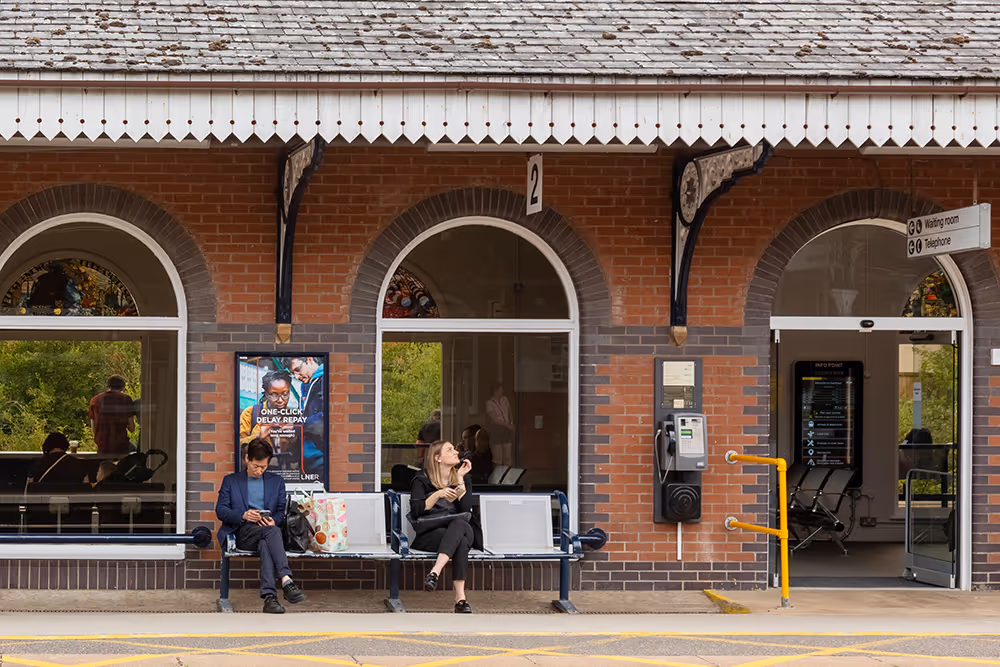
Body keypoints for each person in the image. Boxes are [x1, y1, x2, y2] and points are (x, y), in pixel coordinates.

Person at [215, 439, 307, 614]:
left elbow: (281, 512)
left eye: (263, 467)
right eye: (256, 466)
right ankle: (286, 580)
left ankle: (270, 598)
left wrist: (275, 520)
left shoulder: (276, 482)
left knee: (268, 539)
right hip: (242, 533)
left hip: (267, 533)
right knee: (271, 533)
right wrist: (243, 515)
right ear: (247, 459)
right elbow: (221, 510)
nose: (259, 471)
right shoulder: (231, 481)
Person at [409, 440, 478, 613]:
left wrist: (460, 479)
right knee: (460, 542)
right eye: (450, 450)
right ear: (437, 457)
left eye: (454, 449)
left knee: (459, 523)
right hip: (433, 532)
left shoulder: (463, 478)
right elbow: (417, 511)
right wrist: (437, 494)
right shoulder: (421, 479)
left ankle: (435, 571)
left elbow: (465, 510)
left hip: (460, 527)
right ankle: (460, 599)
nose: (456, 452)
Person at [239, 370, 301, 471]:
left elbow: (302, 454)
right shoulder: (250, 413)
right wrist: (258, 437)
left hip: (286, 473)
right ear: (266, 394)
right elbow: (238, 447)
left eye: (285, 394)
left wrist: (294, 441)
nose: (280, 400)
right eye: (274, 395)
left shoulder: (295, 417)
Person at [288, 357, 325, 477]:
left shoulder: (325, 380)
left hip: (321, 460)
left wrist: (296, 428)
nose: (297, 377)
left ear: (309, 360)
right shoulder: (306, 385)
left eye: (298, 370)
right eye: (293, 373)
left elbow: (324, 420)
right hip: (308, 462)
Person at [88, 375, 135, 456]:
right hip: (121, 446)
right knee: (137, 452)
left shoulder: (94, 400)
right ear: (122, 388)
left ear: (108, 386)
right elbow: (131, 428)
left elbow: (94, 429)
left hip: (103, 446)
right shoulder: (126, 399)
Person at [486, 382, 515, 466]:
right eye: (500, 389)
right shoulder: (489, 403)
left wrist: (511, 423)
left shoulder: (504, 399)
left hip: (507, 428)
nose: (502, 391)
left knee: (507, 455)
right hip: (497, 429)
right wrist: (507, 425)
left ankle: (507, 475)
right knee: (498, 457)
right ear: (495, 391)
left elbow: (510, 412)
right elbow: (494, 418)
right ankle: (498, 475)